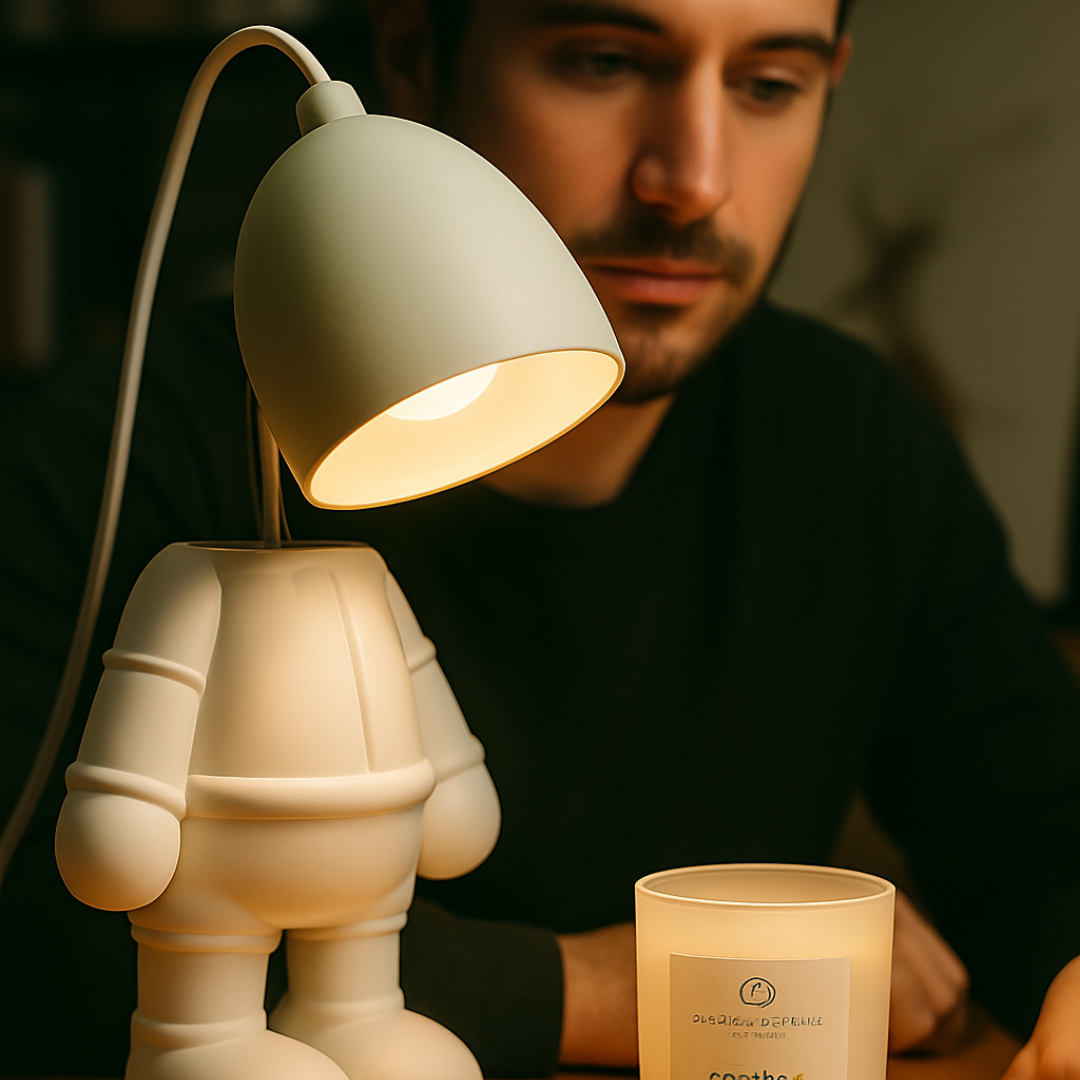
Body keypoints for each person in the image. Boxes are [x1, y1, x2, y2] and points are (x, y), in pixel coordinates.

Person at [1, 0, 1079, 1077]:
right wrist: (639, 986)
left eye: (768, 86)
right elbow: (39, 936)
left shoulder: (854, 445)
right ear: (415, 56)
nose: (694, 178)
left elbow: (1041, 843)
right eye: (605, 62)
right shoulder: (124, 454)